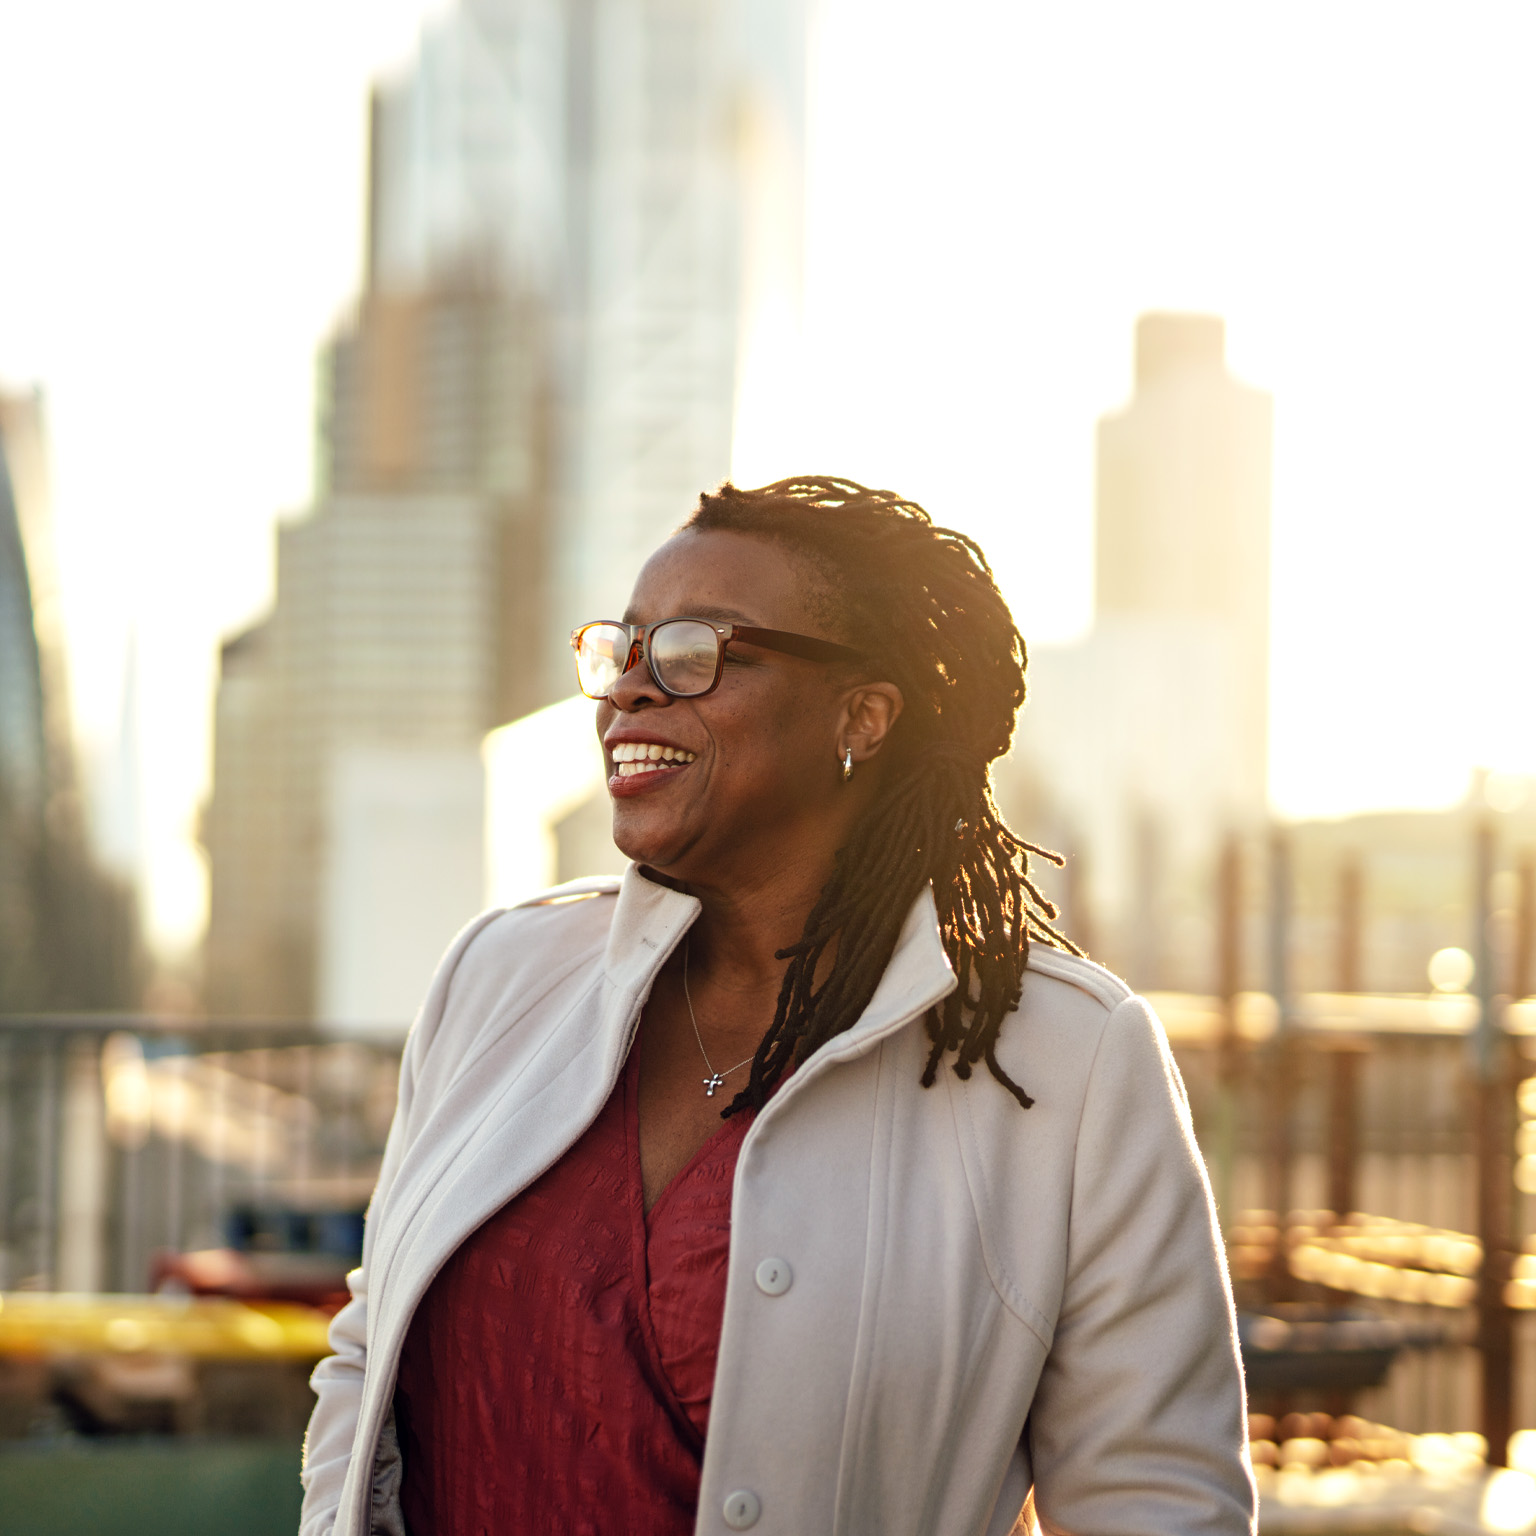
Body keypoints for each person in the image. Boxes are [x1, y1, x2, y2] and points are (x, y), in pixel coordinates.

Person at [299, 476, 1254, 1536]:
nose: (630, 691)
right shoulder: (499, 976)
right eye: (626, 648)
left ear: (862, 716)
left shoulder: (1065, 1062)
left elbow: (1157, 1503)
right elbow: (370, 1344)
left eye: (696, 653)